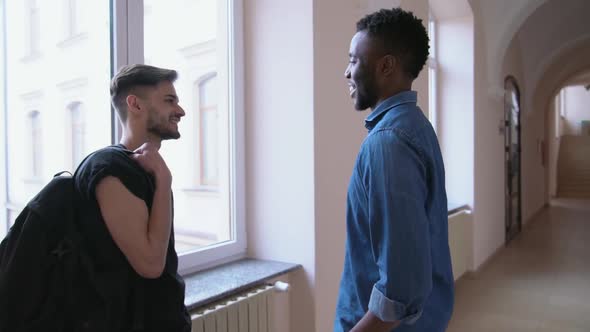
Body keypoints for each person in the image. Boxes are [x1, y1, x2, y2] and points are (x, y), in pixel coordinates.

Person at [334, 8, 454, 332]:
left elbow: (400, 292)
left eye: (354, 60)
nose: (347, 72)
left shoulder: (387, 144)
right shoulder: (415, 127)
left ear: (386, 66)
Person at [72, 64, 190, 331]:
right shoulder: (109, 167)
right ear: (135, 105)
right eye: (170, 101)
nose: (180, 111)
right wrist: (164, 181)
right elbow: (150, 264)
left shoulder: (144, 168)